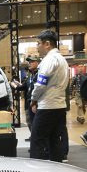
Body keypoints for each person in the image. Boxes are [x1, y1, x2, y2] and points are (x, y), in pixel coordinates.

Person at [29, 30, 69, 162]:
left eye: (38, 43)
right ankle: (56, 167)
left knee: (37, 141)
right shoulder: (62, 60)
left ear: (47, 44)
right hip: (60, 106)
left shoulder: (49, 60)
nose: (37, 47)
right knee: (54, 141)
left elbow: (41, 84)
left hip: (47, 107)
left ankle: (37, 169)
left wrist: (34, 99)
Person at [15, 55, 40, 139]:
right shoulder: (30, 75)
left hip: (36, 103)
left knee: (36, 122)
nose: (30, 63)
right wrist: (16, 86)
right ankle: (33, 136)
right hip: (28, 102)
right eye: (29, 62)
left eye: (32, 62)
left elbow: (40, 89)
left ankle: (36, 138)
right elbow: (24, 86)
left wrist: (35, 103)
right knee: (29, 121)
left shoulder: (40, 74)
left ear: (37, 63)